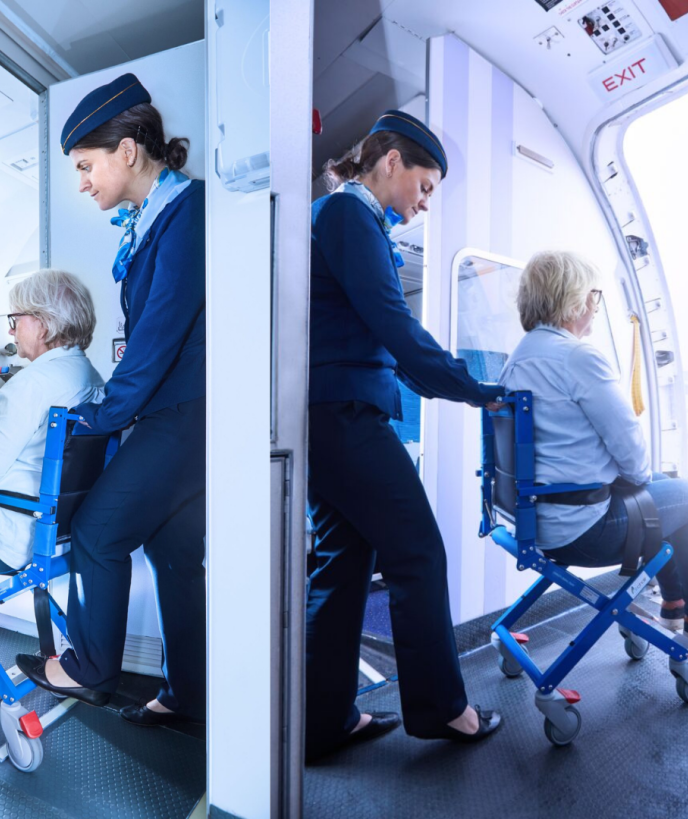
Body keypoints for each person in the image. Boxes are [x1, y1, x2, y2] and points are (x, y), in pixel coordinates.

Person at [305, 109, 504, 762]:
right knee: (418, 552)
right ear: (391, 162)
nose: (422, 205)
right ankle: (444, 710)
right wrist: (478, 388)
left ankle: (323, 717)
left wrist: (440, 379)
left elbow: (381, 334)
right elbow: (394, 326)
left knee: (342, 567)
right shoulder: (346, 216)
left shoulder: (351, 221)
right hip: (343, 418)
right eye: (424, 187)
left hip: (332, 416)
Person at [16, 73, 206, 725]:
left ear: (128, 150)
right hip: (177, 416)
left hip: (182, 418)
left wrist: (99, 417)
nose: (82, 182)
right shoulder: (156, 219)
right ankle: (189, 695)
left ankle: (92, 668)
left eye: (86, 165)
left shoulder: (189, 214)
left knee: (98, 532)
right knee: (175, 557)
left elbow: (153, 343)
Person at [499, 249, 688, 645]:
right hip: (584, 531)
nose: (595, 306)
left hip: (535, 523)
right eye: (593, 295)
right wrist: (634, 480)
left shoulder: (518, 359)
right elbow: (633, 455)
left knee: (661, 486)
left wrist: (636, 481)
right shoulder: (577, 357)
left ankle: (674, 604)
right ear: (573, 299)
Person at [0, 269, 106, 574]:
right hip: (60, 534)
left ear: (43, 325)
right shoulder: (91, 378)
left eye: (15, 320)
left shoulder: (30, 385)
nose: (11, 332)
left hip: (3, 537)